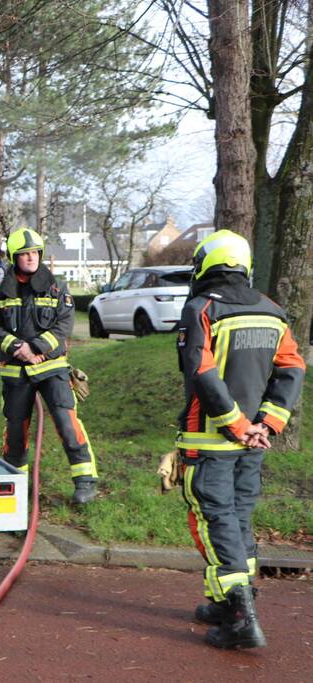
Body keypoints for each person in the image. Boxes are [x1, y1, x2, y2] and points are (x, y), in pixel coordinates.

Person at [174, 229, 305, 649]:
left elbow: (201, 371)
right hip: (253, 443)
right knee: (239, 518)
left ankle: (239, 619)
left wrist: (235, 423)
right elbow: (292, 367)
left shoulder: (201, 308)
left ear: (205, 265)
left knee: (216, 521)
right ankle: (227, 600)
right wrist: (266, 424)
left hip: (211, 439)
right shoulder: (272, 310)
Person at [0, 227, 99, 504]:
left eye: (35, 252)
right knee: (15, 429)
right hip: (16, 371)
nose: (31, 257)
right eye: (25, 254)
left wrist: (34, 347)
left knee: (66, 422)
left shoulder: (57, 287)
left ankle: (85, 481)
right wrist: (18, 348)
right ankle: (16, 482)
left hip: (52, 368)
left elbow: (64, 325)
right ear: (14, 257)